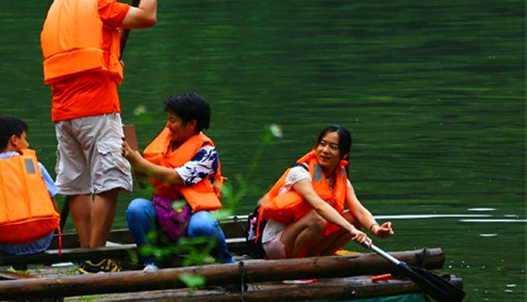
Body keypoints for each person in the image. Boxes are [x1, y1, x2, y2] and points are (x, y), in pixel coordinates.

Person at [39, 0, 159, 272]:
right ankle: (95, 255)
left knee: (76, 185)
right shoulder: (99, 3)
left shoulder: (56, 9)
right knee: (109, 181)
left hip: (63, 114)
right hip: (98, 108)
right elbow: (147, 15)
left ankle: (85, 256)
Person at [121, 92, 234, 271]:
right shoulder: (164, 145)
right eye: (168, 120)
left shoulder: (207, 152)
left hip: (194, 214)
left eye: (173, 121)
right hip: (164, 212)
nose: (168, 126)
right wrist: (134, 162)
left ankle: (227, 263)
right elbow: (144, 184)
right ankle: (151, 262)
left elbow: (177, 177)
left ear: (192, 124)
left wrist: (139, 162)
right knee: (136, 208)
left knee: (203, 225)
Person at [254, 125, 393, 259]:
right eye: (322, 144)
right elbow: (319, 206)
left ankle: (321, 259)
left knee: (355, 218)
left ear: (344, 154)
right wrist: (351, 229)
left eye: (333, 147)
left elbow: (360, 211)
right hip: (278, 242)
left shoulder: (341, 180)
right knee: (317, 218)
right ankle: (299, 267)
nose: (325, 150)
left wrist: (375, 229)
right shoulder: (300, 173)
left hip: (310, 238)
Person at [0, 115, 60, 256]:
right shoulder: (36, 167)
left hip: (5, 243)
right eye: (25, 138)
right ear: (14, 140)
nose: (28, 144)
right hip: (41, 241)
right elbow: (54, 207)